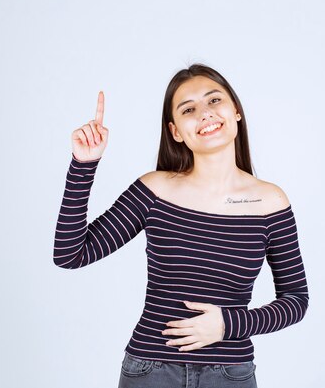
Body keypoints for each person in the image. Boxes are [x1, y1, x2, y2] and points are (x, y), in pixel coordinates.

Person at [53, 64, 309, 388]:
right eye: (189, 109)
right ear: (176, 131)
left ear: (236, 111)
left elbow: (296, 300)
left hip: (230, 376)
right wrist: (83, 165)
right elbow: (69, 254)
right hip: (150, 372)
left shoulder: (271, 202)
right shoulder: (155, 190)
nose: (204, 113)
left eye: (214, 101)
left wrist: (227, 324)